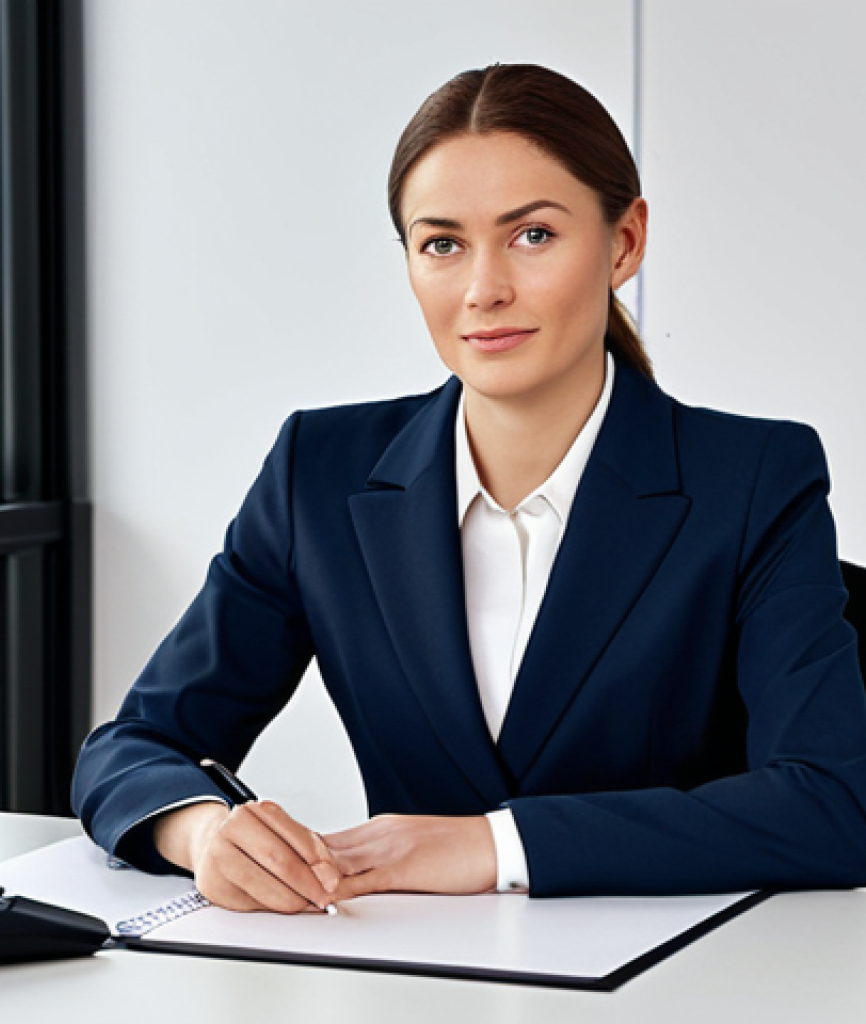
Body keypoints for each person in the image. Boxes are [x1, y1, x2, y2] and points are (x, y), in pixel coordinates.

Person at [72, 64, 866, 912]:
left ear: (624, 243)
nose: (484, 289)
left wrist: (492, 843)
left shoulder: (752, 480)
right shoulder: (320, 473)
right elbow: (134, 746)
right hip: (414, 980)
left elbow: (830, 804)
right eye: (442, 244)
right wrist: (202, 831)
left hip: (673, 981)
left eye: (532, 236)